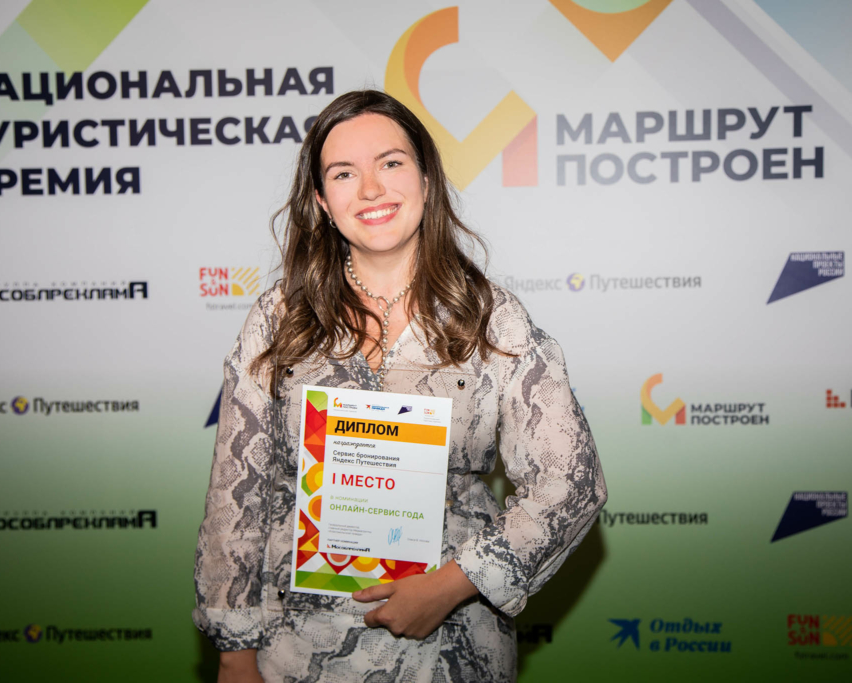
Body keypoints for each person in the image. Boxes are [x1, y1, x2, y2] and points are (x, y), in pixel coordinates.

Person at [193, 90, 606, 683]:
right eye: (343, 173)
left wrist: (448, 587)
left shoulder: (492, 320)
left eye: (390, 163)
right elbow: (237, 494)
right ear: (321, 200)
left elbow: (572, 484)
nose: (370, 189)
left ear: (426, 180)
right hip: (296, 649)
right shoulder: (278, 318)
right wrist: (234, 650)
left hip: (450, 645)